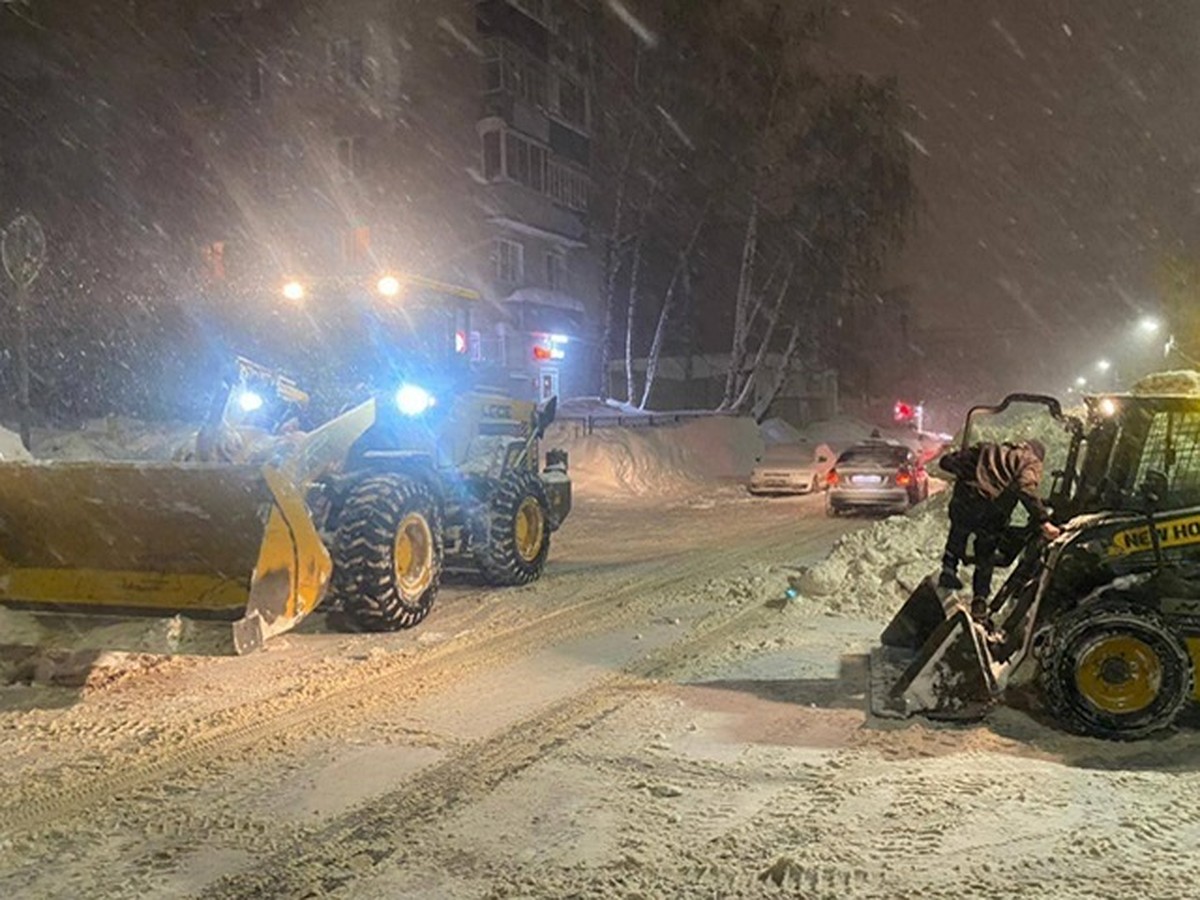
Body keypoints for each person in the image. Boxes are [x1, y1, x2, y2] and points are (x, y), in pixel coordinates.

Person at [937, 439, 1062, 620]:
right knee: (986, 554)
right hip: (991, 508)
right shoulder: (1029, 461)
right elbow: (1025, 487)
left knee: (959, 529)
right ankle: (979, 602)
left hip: (965, 500)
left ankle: (949, 567)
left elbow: (947, 462)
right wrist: (1043, 520)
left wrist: (970, 475)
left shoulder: (987, 448)